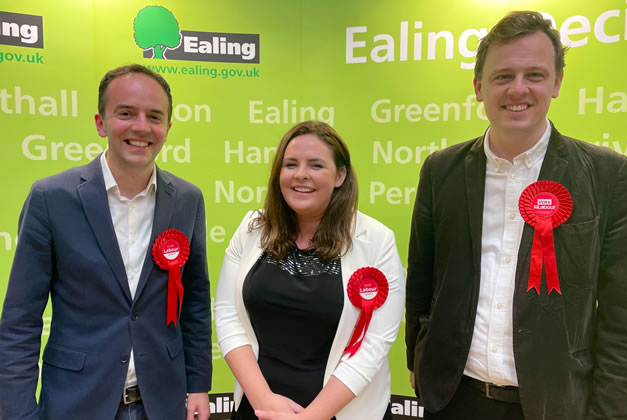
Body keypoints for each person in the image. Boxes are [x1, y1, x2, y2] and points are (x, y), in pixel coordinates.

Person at [405, 10, 627, 420]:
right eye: (503, 76)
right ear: (478, 87)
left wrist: (611, 410)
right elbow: (421, 279)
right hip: (454, 398)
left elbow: (622, 315)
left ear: (557, 83)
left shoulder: (609, 175)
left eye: (535, 75)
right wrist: (417, 363)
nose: (518, 89)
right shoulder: (441, 171)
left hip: (558, 404)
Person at [0, 64, 213, 420]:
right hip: (76, 404)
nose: (142, 127)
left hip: (162, 403)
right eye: (126, 113)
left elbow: (193, 303)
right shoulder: (51, 198)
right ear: (100, 123)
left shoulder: (187, 200)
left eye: (154, 116)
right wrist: (18, 412)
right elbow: (21, 320)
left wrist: (199, 385)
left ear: (168, 129)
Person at [215, 120, 404, 420]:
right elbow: (227, 315)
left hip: (340, 412)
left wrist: (309, 418)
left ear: (340, 175)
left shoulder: (377, 240)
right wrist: (263, 400)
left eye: (316, 165)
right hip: (261, 409)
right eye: (290, 164)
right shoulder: (252, 227)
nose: (301, 174)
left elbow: (374, 344)